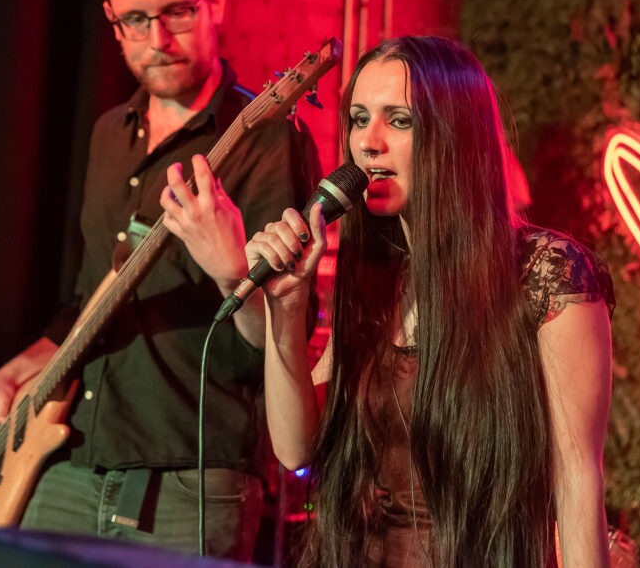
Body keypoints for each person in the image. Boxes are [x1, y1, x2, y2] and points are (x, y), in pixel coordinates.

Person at [0, 0, 321, 560]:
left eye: (176, 12)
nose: (157, 38)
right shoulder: (106, 135)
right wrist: (7, 377)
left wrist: (231, 268)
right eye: (134, 21)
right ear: (110, 20)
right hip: (64, 463)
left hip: (185, 482)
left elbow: (283, 338)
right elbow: (88, 301)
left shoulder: (267, 140)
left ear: (217, 2)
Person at [234, 35, 615, 566]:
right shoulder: (377, 277)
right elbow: (296, 447)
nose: (369, 142)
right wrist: (287, 306)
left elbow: (577, 482)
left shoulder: (545, 274)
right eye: (359, 118)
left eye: (399, 121)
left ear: (455, 136)